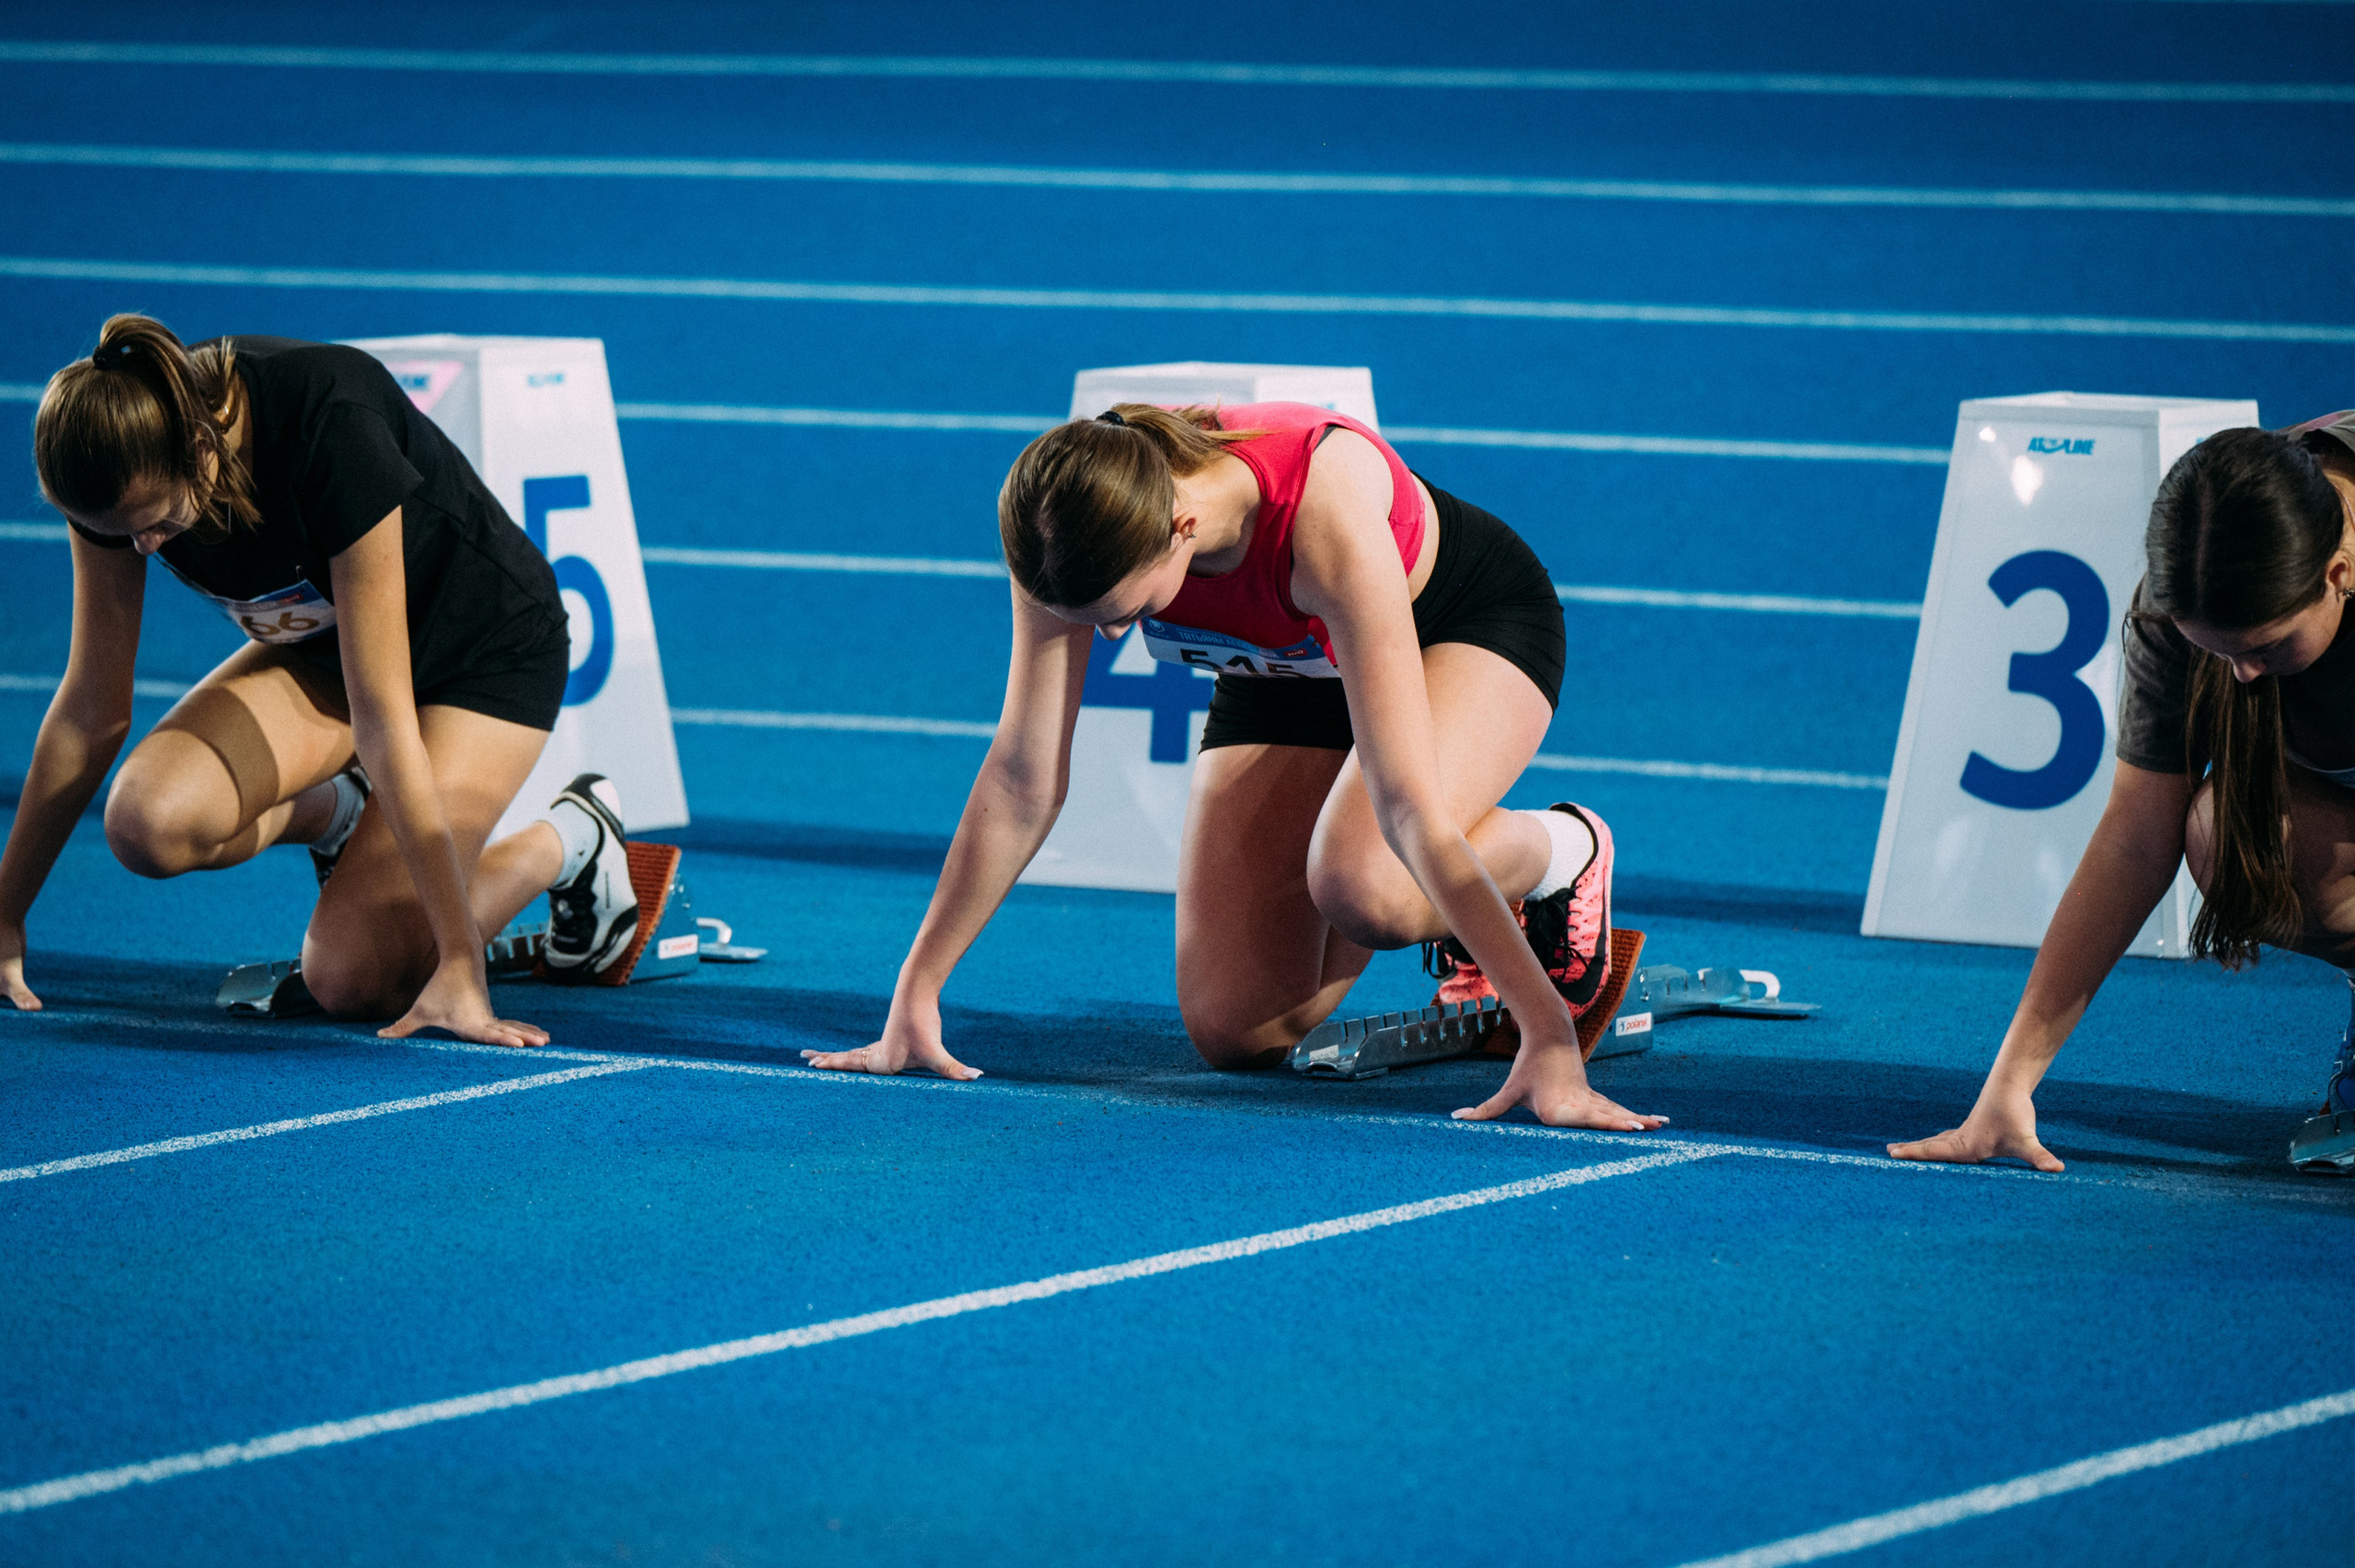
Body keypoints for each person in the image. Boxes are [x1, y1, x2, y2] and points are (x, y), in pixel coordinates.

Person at [800, 401, 1666, 1130]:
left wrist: (1547, 1036)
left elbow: (1410, 814)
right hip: (1283, 667)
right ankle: (1453, 880)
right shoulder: (1066, 526)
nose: (1107, 637)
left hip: (1458, 627)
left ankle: (1562, 851)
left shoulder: (1321, 516)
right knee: (1234, 1030)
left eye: (1124, 615)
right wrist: (917, 991)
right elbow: (1023, 778)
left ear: (1183, 528)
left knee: (1367, 885)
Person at [0, 315, 644, 1045]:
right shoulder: (114, 467)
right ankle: (346, 813)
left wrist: (462, 964)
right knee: (147, 822)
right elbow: (92, 707)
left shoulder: (326, 420)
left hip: (485, 655)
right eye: (123, 534)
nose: (143, 547)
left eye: (159, 524)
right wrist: (5, 912)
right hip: (328, 655)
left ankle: (570, 838)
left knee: (356, 977)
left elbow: (384, 717)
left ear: (199, 445)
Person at [1892, 413, 2355, 1174]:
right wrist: (2008, 1086)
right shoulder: (2183, 603)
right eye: (2220, 652)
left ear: (2339, 573)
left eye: (2266, 647)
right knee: (2224, 835)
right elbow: (2136, 841)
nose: (2242, 675)